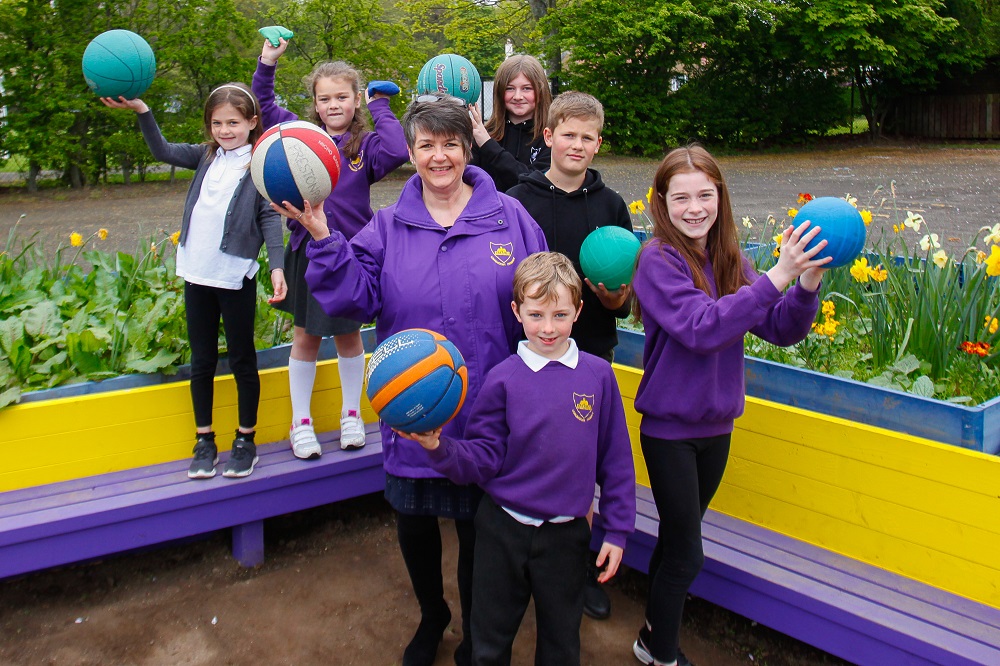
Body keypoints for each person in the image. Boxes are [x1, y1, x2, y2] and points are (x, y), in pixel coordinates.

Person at [273, 96, 547, 666]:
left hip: (490, 414)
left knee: (480, 533)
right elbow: (356, 296)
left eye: (451, 144)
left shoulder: (512, 218)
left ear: (467, 149)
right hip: (414, 410)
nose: (439, 156)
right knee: (417, 523)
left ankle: (477, 634)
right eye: (426, 145)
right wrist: (323, 236)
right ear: (413, 154)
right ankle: (432, 615)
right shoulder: (388, 226)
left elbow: (541, 298)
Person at [629, 145, 829, 666]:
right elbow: (702, 329)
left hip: (717, 428)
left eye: (705, 194)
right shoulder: (657, 260)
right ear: (661, 203)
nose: (695, 208)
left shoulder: (730, 259)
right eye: (681, 197)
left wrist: (805, 282)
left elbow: (780, 327)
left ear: (720, 197)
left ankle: (651, 633)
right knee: (687, 553)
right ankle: (663, 654)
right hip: (670, 431)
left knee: (676, 543)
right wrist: (777, 277)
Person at [403, 251, 636, 666]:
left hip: (566, 537)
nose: (548, 328)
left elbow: (616, 461)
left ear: (579, 311)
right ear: (517, 311)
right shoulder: (503, 378)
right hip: (501, 530)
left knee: (562, 645)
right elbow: (483, 457)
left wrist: (617, 530)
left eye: (560, 315)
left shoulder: (599, 375)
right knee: (489, 643)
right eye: (536, 314)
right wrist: (438, 447)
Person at [101, 84, 287, 480]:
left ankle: (245, 439)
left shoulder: (260, 163)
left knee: (242, 360)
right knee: (201, 361)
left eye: (234, 122)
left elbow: (271, 218)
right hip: (197, 273)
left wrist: (277, 267)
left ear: (252, 123)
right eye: (217, 123)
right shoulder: (205, 156)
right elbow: (162, 151)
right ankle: (204, 440)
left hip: (235, 276)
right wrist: (142, 110)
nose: (224, 130)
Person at [252, 32, 409, 458]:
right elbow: (263, 107)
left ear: (355, 100)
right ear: (315, 103)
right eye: (324, 99)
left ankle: (351, 414)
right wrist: (267, 63)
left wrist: (381, 104)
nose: (333, 105)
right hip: (307, 251)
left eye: (342, 97)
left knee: (348, 337)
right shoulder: (300, 138)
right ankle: (300, 422)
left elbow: (398, 149)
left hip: (349, 255)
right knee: (303, 336)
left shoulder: (364, 146)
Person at [507, 90, 630, 620]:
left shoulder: (611, 207)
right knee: (530, 453)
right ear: (548, 137)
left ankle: (577, 570)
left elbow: (622, 298)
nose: (577, 145)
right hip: (529, 359)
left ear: (597, 144)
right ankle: (519, 560)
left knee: (582, 463)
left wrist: (611, 297)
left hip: (591, 355)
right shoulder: (519, 200)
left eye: (588, 137)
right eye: (568, 135)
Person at [470, 54, 552, 192]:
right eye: (510, 88)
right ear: (500, 92)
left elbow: (529, 184)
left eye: (527, 88)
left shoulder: (550, 138)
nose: (518, 96)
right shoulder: (483, 135)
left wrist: (489, 146)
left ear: (540, 91)